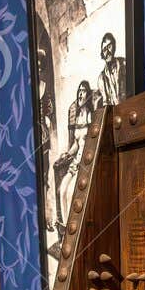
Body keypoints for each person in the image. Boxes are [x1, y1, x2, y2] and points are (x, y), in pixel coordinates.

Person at [52, 78, 94, 233]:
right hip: (75, 162)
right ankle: (66, 229)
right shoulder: (77, 117)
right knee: (62, 190)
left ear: (88, 95)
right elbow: (77, 143)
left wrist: (83, 161)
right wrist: (67, 153)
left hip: (86, 163)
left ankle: (77, 231)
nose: (80, 94)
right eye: (79, 91)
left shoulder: (91, 116)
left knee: (71, 193)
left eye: (83, 91)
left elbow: (90, 142)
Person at [96, 31, 126, 107]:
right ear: (102, 54)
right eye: (104, 50)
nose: (107, 52)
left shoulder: (124, 64)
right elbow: (105, 103)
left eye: (109, 46)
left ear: (114, 47)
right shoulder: (101, 78)